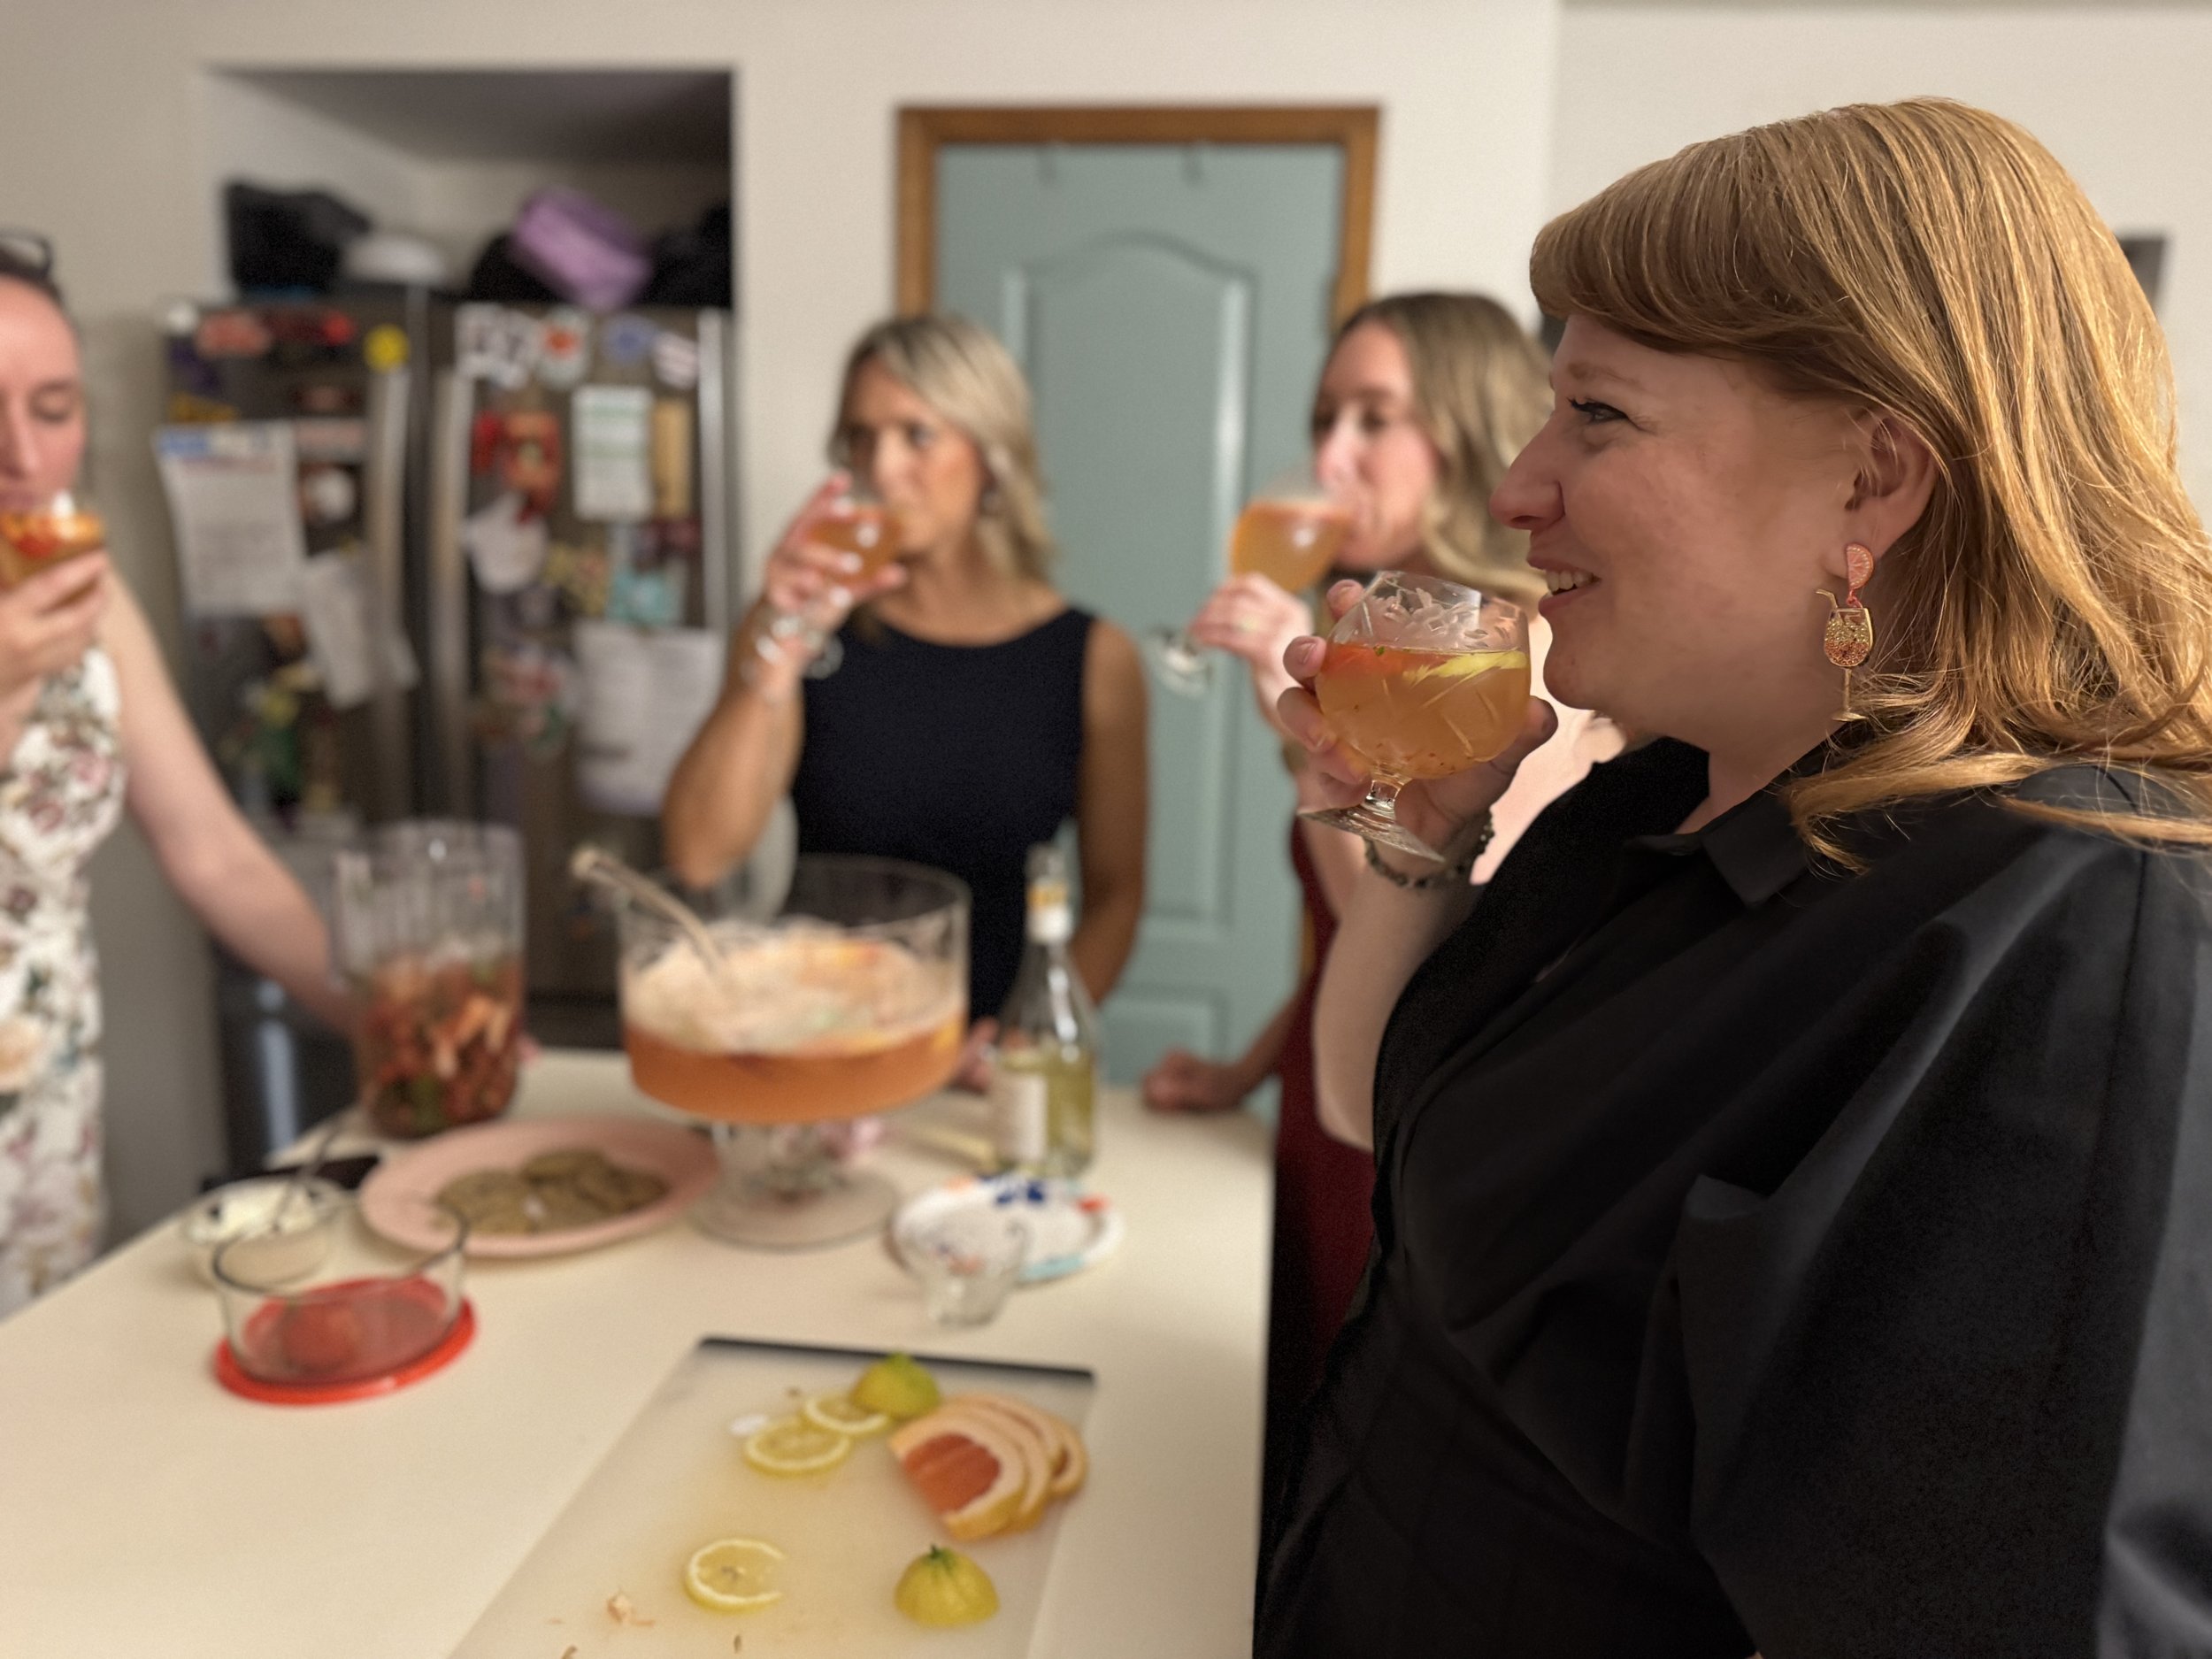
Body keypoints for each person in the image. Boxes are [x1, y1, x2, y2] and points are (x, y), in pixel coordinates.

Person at [1258, 98, 2212, 1655]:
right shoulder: (1648, 801)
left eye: (1598, 414)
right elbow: (1379, 1120)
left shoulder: (2076, 937)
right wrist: (1422, 841)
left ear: (1871, 481)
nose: (1515, 485)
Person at [1140, 293, 1617, 1486]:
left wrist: (1287, 724)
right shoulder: (1377, 631)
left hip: (1392, 1112)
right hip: (1321, 1084)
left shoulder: (1509, 650)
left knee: (1342, 1439)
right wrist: (1249, 1066)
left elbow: (1427, 954)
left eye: (1374, 417)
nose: (1329, 456)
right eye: (1323, 417)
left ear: (1458, 429)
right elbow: (1335, 932)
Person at [0, 237, 351, 1316]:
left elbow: (211, 849)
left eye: (53, 409)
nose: (20, 456)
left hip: (42, 1140)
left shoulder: (86, 605)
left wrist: (373, 1014)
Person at [664, 315, 1147, 1034]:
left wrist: (1033, 1034)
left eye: (916, 435)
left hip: (985, 1060)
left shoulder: (1093, 658)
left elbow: (1116, 892)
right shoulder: (800, 629)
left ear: (991, 458)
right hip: (816, 1036)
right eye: (862, 438)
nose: (882, 467)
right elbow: (698, 853)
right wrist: (772, 655)